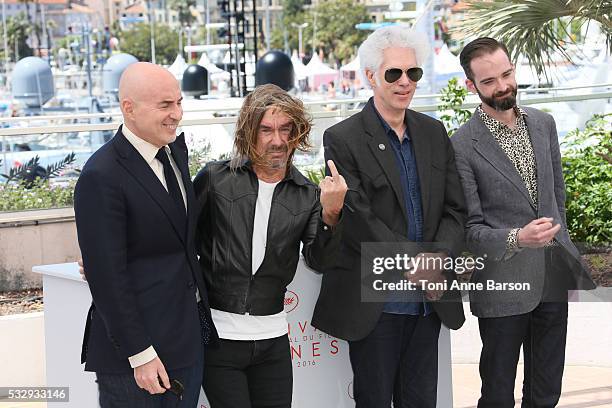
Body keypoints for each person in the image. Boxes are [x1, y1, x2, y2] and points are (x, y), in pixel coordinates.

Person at [311, 26, 466, 408]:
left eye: (412, 73)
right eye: (393, 73)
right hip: (376, 304)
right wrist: (415, 261)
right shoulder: (342, 137)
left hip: (428, 303)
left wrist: (437, 258)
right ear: (370, 77)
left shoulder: (433, 132)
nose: (404, 82)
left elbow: (456, 209)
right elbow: (358, 215)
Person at [452, 37, 596, 408]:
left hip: (551, 276)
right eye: (489, 82)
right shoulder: (462, 145)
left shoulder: (544, 124)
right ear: (471, 86)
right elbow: (471, 230)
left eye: (507, 74)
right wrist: (518, 238)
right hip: (502, 284)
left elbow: (557, 198)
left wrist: (562, 250)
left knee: (546, 391)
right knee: (498, 393)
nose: (502, 86)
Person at [194, 83, 348, 408]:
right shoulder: (215, 180)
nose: (277, 140)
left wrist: (332, 214)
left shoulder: (306, 194)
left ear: (296, 133)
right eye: (266, 130)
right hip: (220, 339)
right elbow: (179, 241)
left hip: (274, 341)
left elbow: (319, 260)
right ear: (250, 132)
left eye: (285, 129)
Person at [74, 62, 215, 408]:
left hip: (185, 345)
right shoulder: (101, 175)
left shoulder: (172, 157)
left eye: (179, 103)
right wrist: (140, 355)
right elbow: (108, 279)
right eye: (165, 105)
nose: (177, 114)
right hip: (137, 360)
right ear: (129, 109)